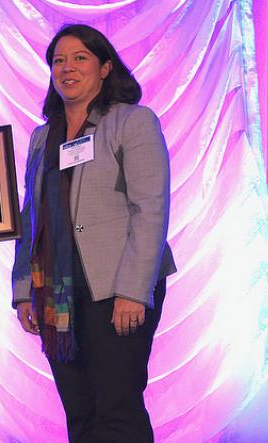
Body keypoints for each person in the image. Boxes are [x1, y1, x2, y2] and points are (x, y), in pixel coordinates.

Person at [11, 24, 177, 442]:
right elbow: (30, 216)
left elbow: (150, 209)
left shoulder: (132, 122)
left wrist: (134, 291)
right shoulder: (42, 136)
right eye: (58, 60)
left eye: (80, 58)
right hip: (57, 294)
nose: (67, 68)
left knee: (117, 412)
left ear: (105, 68)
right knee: (80, 414)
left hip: (118, 289)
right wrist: (22, 290)